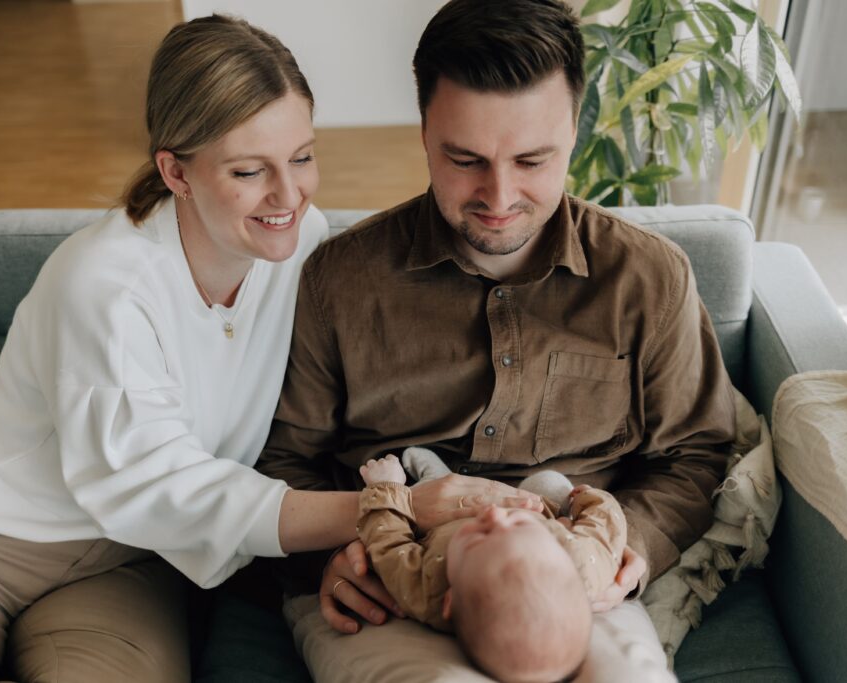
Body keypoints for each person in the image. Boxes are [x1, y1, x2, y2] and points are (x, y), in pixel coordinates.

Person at [0, 15, 536, 683]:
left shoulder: (302, 243)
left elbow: (334, 402)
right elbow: (158, 481)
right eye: (249, 170)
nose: (288, 195)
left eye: (301, 157)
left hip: (133, 561)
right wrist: (396, 508)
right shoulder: (105, 284)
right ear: (175, 173)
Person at [258, 0, 735, 679]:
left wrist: (630, 552)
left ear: (575, 129)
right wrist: (326, 559)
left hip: (573, 583)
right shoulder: (340, 280)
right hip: (390, 575)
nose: (499, 194)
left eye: (534, 159)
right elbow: (283, 457)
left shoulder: (649, 277)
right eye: (465, 158)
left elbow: (695, 452)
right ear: (424, 131)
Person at [358, 452, 627, 682]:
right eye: (518, 526)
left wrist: (386, 487)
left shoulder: (426, 590)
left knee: (417, 496)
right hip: (531, 503)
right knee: (551, 483)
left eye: (479, 537)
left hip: (448, 510)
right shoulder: (583, 564)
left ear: (450, 601)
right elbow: (606, 527)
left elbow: (387, 543)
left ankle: (436, 473)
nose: (493, 514)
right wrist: (586, 498)